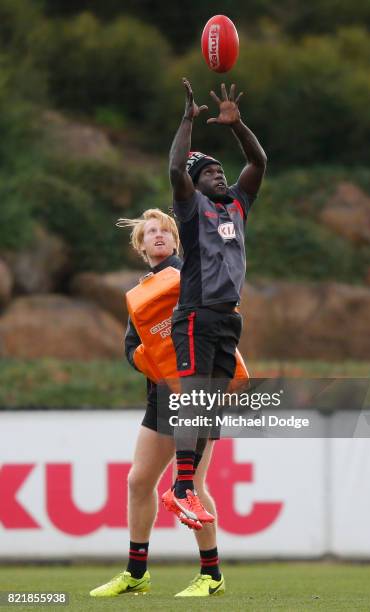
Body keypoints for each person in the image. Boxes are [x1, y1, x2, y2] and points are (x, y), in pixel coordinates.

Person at [89, 209, 224, 598]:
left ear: (175, 240)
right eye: (151, 231)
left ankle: (211, 574)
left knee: (192, 485)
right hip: (161, 397)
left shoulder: (190, 276)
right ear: (140, 244)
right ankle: (136, 572)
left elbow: (217, 321)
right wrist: (148, 362)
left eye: (166, 230)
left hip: (198, 394)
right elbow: (132, 346)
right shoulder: (142, 292)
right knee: (138, 481)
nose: (159, 235)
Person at [162, 77, 267, 567]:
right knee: (195, 396)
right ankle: (181, 488)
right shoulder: (192, 207)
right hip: (196, 315)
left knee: (208, 411)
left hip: (229, 321)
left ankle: (182, 486)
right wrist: (187, 120)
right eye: (211, 173)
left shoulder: (236, 207)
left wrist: (238, 125)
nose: (220, 177)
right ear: (196, 181)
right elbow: (174, 169)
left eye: (222, 171)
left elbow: (258, 163)